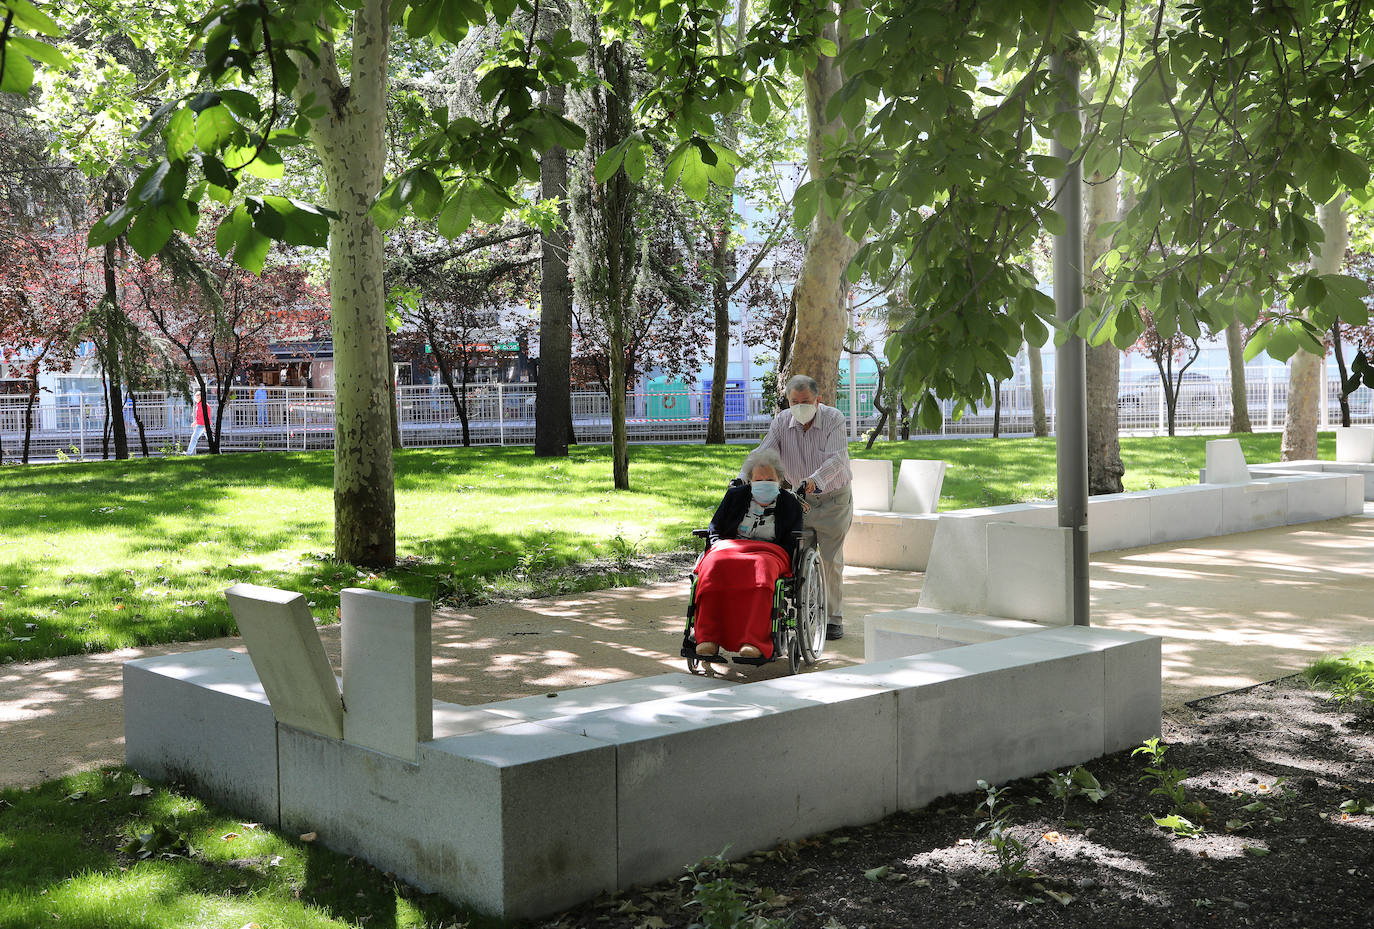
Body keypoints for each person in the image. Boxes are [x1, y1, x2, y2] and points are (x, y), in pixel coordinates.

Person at [741, 374, 852, 640]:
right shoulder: (781, 422)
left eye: (806, 401)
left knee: (829, 560)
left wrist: (814, 481)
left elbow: (837, 460)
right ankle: (807, 611)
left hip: (833, 499)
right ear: (788, 401)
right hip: (799, 501)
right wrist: (743, 477)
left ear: (818, 400)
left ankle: (833, 618)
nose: (800, 406)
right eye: (794, 401)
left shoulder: (834, 419)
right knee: (799, 559)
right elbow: (763, 453)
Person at [692, 448, 805, 660]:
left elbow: (792, 542)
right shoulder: (735, 497)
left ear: (780, 481)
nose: (764, 483)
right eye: (758, 479)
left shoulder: (790, 504)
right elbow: (714, 528)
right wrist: (717, 546)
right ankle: (708, 638)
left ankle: (754, 641)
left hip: (771, 552)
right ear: (750, 481)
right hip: (731, 548)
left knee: (762, 572)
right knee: (714, 564)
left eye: (769, 479)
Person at [187, 390, 210, 455]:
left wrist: (206, 426)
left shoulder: (204, 405)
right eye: (196, 396)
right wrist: (195, 422)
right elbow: (199, 416)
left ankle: (188, 453)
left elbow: (207, 416)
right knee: (211, 439)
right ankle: (217, 451)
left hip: (202, 425)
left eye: (198, 396)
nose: (196, 397)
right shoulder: (199, 404)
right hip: (200, 424)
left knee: (194, 438)